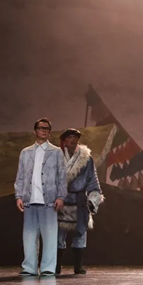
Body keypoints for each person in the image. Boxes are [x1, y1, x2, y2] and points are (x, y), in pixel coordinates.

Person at [15, 118, 67, 276]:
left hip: (49, 199)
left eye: (47, 129)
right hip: (29, 199)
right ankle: (29, 267)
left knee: (50, 235)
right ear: (35, 130)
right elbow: (20, 176)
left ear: (50, 132)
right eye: (41, 128)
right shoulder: (25, 152)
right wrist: (18, 196)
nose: (44, 131)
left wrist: (61, 196)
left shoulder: (56, 152)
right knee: (29, 236)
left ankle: (48, 268)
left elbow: (62, 177)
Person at [56, 128, 104, 275]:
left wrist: (93, 198)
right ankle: (56, 265)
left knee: (80, 233)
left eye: (75, 137)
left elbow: (92, 179)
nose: (72, 140)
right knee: (58, 234)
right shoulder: (56, 157)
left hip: (79, 200)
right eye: (69, 137)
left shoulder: (86, 159)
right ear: (64, 141)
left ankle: (78, 265)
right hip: (61, 199)